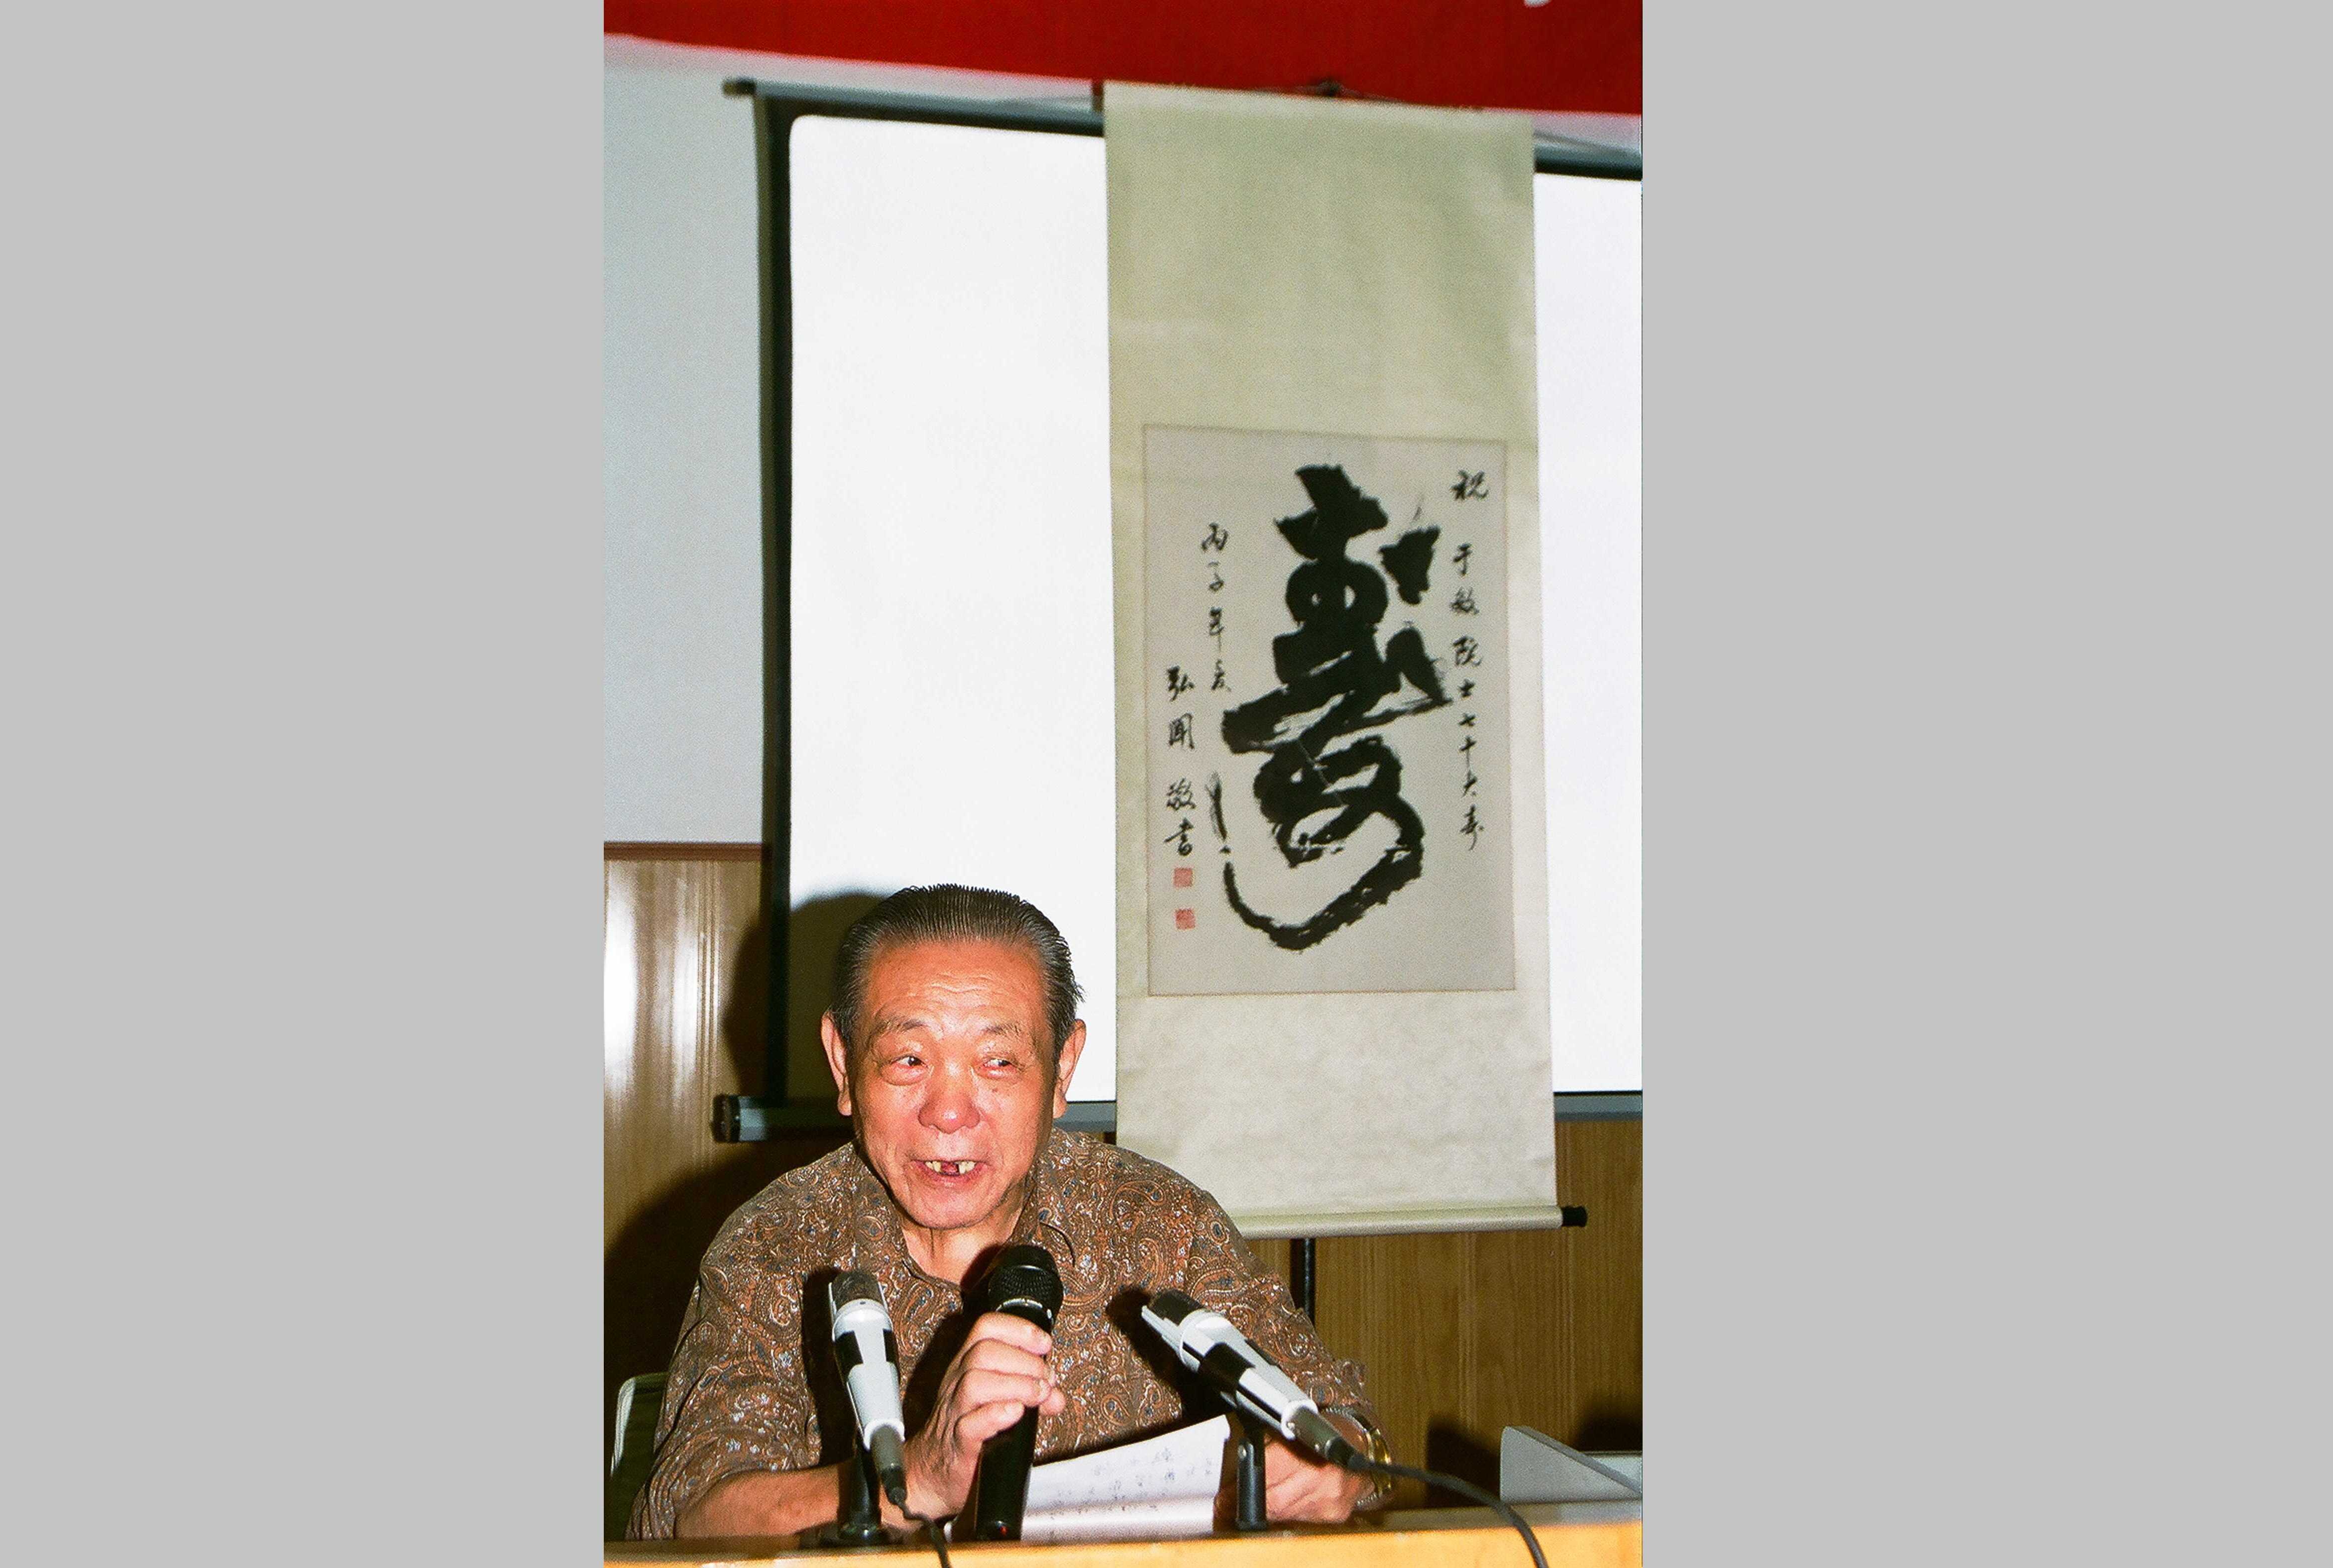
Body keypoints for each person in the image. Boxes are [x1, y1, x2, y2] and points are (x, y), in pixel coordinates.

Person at [629, 884, 1384, 1540]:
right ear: (843, 1063)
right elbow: (691, 1516)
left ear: (1062, 1069)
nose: (949, 1112)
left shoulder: (1161, 1223)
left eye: (998, 1063)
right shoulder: (778, 1243)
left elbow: (1349, 1430)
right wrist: (920, 1477)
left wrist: (1332, 1466)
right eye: (909, 1061)